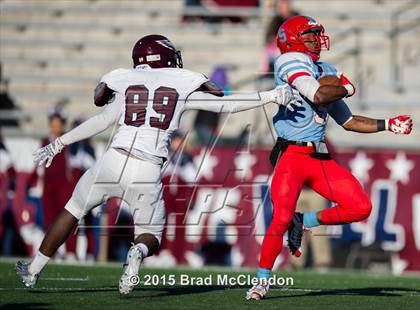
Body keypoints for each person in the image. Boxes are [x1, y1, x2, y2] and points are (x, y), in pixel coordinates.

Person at [15, 34, 297, 295]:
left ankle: (33, 269)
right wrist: (270, 96)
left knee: (72, 210)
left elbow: (100, 120)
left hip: (113, 159)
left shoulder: (124, 79)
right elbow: (225, 104)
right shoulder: (181, 80)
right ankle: (137, 250)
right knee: (151, 234)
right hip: (147, 167)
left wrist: (59, 143)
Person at [246, 15, 413, 300]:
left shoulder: (324, 69)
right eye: (310, 35)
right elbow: (319, 94)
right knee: (280, 217)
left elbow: (347, 121)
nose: (316, 40)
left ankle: (305, 220)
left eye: (316, 34)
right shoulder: (289, 62)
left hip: (318, 156)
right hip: (291, 154)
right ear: (294, 40)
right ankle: (261, 281)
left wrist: (387, 124)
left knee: (360, 207)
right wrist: (346, 87)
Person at [26, 109, 77, 260]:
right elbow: (38, 164)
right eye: (53, 123)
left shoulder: (69, 140)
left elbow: (74, 165)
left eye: (58, 123)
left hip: (64, 186)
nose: (55, 126)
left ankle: (71, 252)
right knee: (49, 221)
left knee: (68, 219)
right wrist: (30, 182)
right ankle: (51, 253)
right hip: (48, 186)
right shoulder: (44, 141)